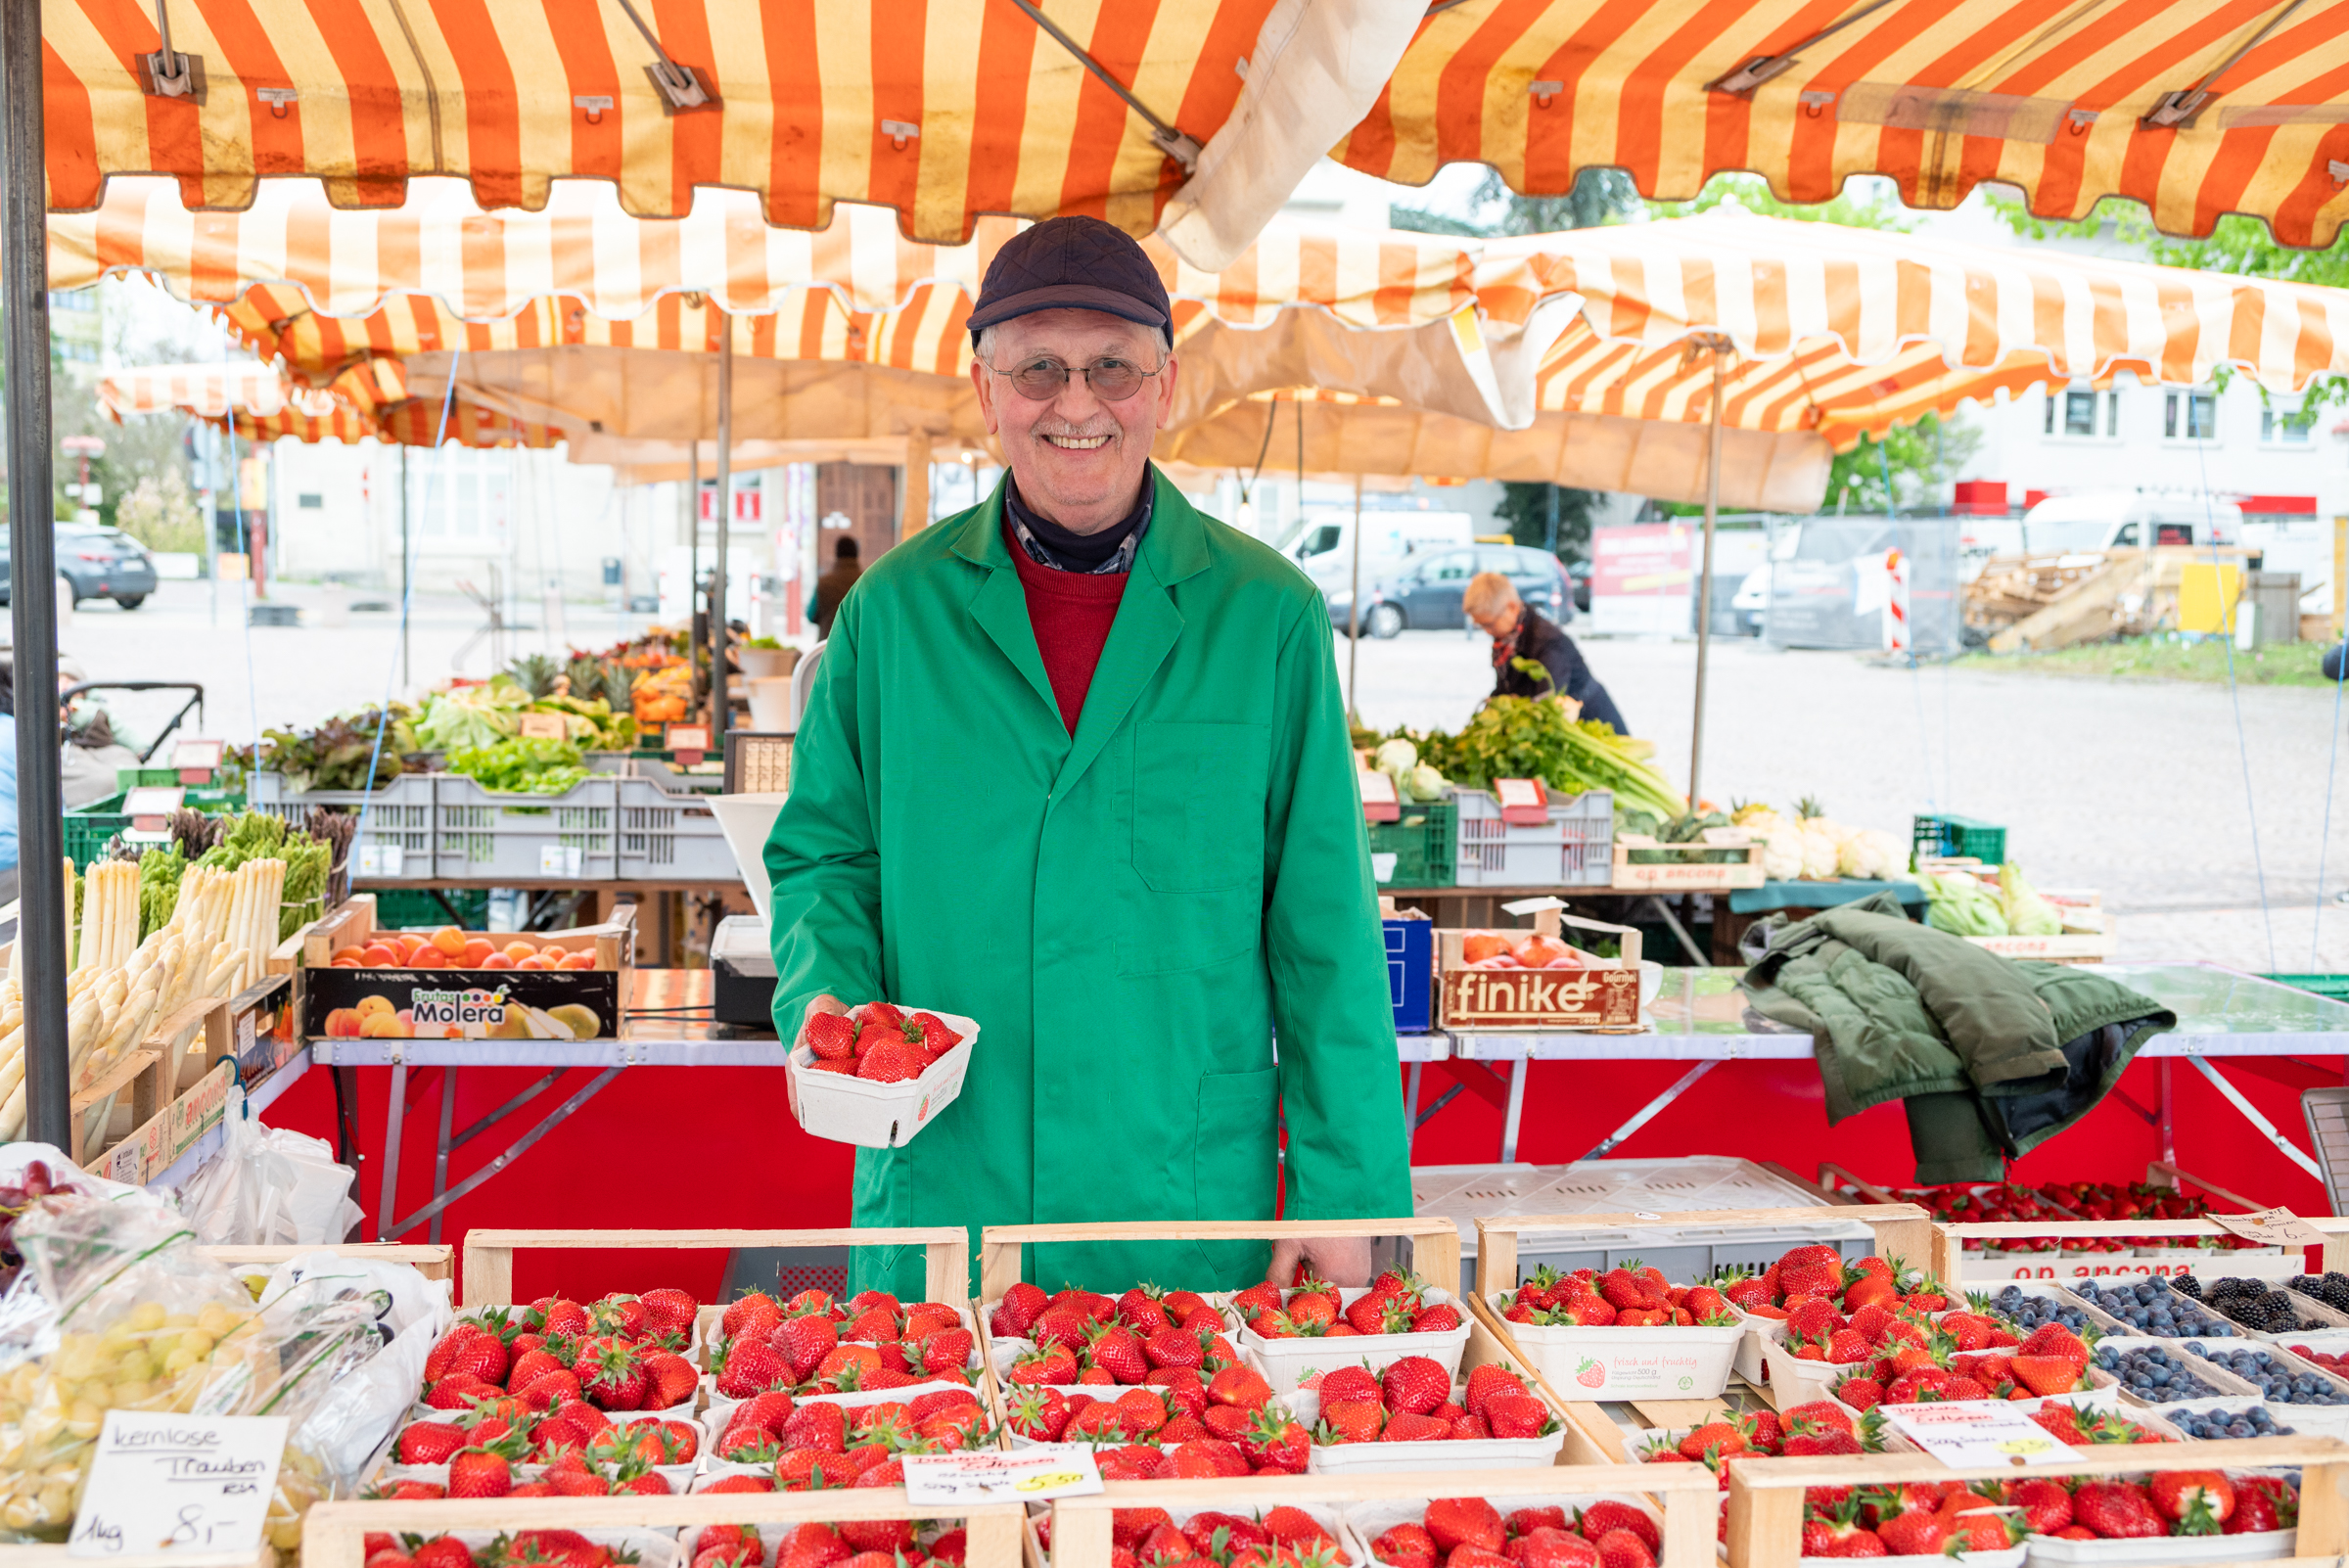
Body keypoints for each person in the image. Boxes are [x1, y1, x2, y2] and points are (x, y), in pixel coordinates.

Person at [764, 215, 1411, 1297]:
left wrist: (1349, 1195)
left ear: (1165, 386)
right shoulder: (891, 616)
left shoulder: (1268, 618)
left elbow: (1326, 935)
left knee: (1196, 1458)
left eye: (1113, 365)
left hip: (1182, 1196)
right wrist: (830, 1004)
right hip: (954, 1184)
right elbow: (826, 860)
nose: (1076, 402)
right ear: (985, 392)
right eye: (1038, 370)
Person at [1464, 570, 1632, 735]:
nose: (1487, 632)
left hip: (1592, 724)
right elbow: (1507, 687)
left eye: (1490, 624)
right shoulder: (1508, 639)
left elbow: (1548, 702)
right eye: (1481, 626)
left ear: (1512, 608)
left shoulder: (1546, 641)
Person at [809, 536, 861, 642]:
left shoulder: (824, 583)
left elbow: (811, 615)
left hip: (827, 647)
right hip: (858, 650)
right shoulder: (865, 582)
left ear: (836, 554)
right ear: (856, 554)